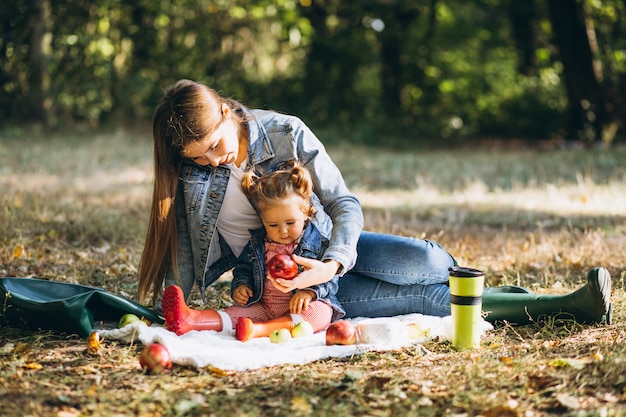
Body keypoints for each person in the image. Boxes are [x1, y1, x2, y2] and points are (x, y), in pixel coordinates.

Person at [138, 79, 612, 333]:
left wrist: (330, 264)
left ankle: (502, 292)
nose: (212, 160)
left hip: (328, 252)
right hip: (286, 292)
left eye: (215, 146)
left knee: (427, 262)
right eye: (197, 156)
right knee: (430, 301)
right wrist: (169, 309)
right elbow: (182, 246)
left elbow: (343, 202)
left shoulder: (285, 132)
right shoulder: (192, 174)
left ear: (225, 111)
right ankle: (565, 305)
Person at [162, 162, 345, 341]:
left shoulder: (316, 244)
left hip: (297, 307)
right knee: (234, 313)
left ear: (305, 213)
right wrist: (241, 285)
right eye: (272, 225)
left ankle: (259, 330)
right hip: (264, 305)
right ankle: (193, 319)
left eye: (290, 223)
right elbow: (243, 268)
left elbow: (331, 279)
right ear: (263, 219)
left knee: (320, 313)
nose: (283, 231)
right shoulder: (258, 242)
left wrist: (310, 293)